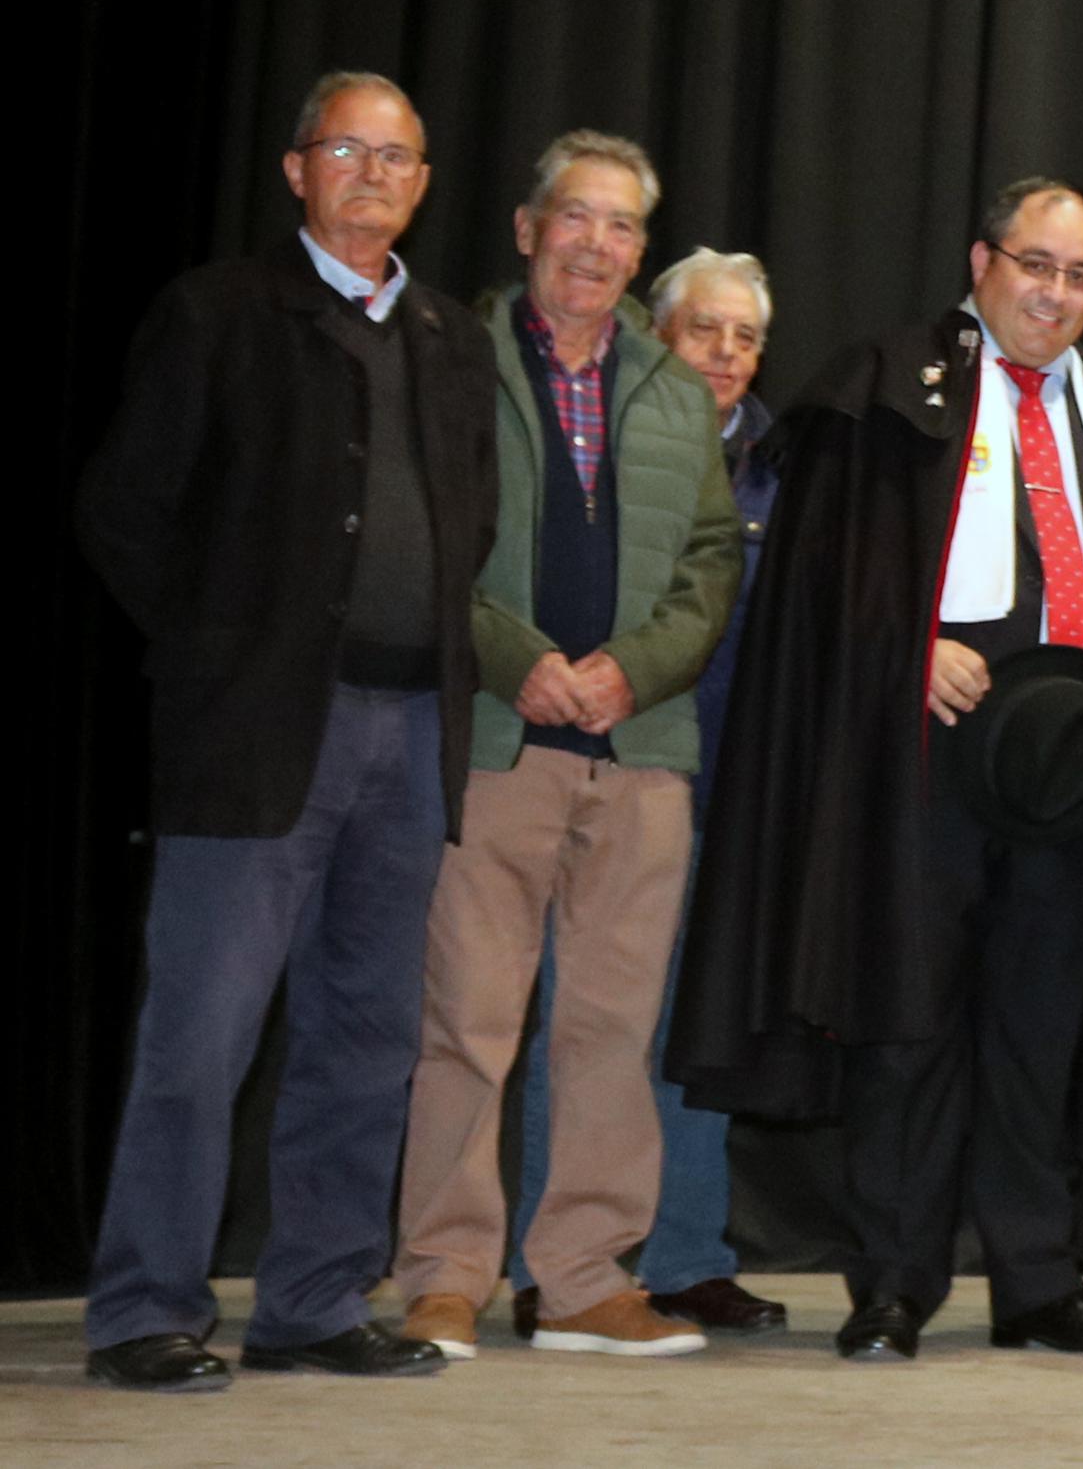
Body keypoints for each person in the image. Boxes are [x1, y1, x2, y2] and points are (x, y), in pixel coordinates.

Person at [670, 178, 1083, 1363]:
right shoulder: (888, 389)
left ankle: (1038, 1280)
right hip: (920, 754)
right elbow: (824, 577)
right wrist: (902, 653)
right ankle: (893, 1281)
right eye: (1038, 264)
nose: (1058, 294)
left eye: (1082, 276)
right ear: (983, 259)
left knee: (1041, 1032)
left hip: (1078, 764)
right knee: (908, 1023)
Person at [76, 72, 500, 1391]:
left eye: (398, 156)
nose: (373, 174)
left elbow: (470, 522)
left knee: (368, 1035)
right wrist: (223, 656)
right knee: (201, 1032)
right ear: (296, 170)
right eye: (347, 151)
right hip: (259, 735)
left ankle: (313, 1302)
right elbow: (125, 510)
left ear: (425, 182)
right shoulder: (218, 311)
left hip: (410, 730)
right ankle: (145, 1309)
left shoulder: (446, 335)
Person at [393, 133, 739, 1364]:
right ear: (530, 229)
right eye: (575, 220)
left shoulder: (666, 382)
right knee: (470, 1026)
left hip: (638, 748)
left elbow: (711, 560)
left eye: (622, 228)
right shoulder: (448, 355)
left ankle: (585, 1277)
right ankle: (444, 1275)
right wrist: (513, 656)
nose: (597, 245)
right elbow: (421, 536)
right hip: (497, 743)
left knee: (609, 1029)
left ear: (642, 252)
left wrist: (631, 669)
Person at [497, 247, 796, 1343]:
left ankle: (685, 1255)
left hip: (734, 782)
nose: (725, 355)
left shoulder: (783, 463)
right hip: (614, 757)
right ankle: (553, 1257)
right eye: (702, 331)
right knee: (585, 1019)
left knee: (695, 1021)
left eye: (746, 337)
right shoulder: (604, 439)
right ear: (652, 336)